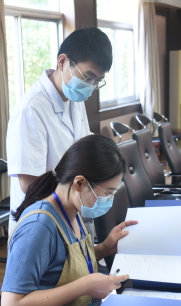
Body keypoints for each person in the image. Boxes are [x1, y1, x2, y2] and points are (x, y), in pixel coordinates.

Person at [1, 135, 136, 306]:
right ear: (80, 183)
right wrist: (85, 285)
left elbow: (62, 265)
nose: (108, 200)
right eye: (107, 193)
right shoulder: (39, 226)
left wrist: (104, 248)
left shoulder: (72, 210)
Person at [6, 27, 113, 231]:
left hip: (70, 213)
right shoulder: (31, 109)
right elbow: (29, 184)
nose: (91, 86)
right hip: (40, 221)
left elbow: (82, 149)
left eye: (97, 81)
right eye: (88, 77)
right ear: (63, 61)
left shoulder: (74, 98)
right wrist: (78, 191)